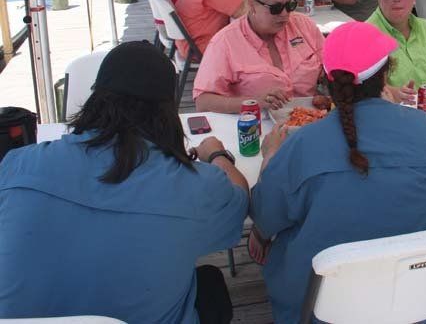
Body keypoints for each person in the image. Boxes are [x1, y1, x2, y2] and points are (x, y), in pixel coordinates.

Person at [0, 41, 248, 323]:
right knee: (209, 283)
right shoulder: (196, 187)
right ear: (167, 112)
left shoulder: (17, 164)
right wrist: (216, 154)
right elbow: (240, 201)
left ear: (95, 99)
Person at [250, 21, 426, 323]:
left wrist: (270, 158)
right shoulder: (424, 128)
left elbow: (265, 217)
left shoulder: (302, 143)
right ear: (385, 74)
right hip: (421, 299)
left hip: (324, 306)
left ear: (328, 80)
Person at [194, 0, 325, 113]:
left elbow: (330, 68)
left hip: (308, 121)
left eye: (290, 5)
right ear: (252, 5)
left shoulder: (304, 26)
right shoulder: (225, 42)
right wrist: (253, 103)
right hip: (255, 126)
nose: (285, 14)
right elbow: (203, 102)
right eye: (276, 8)